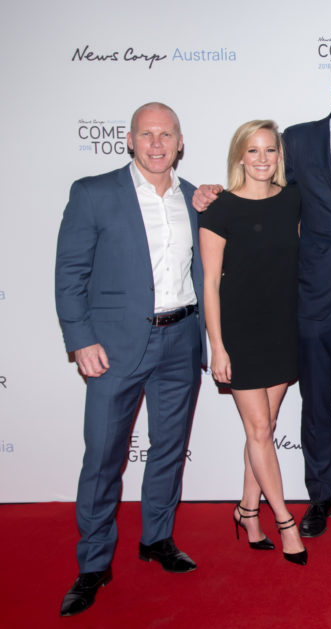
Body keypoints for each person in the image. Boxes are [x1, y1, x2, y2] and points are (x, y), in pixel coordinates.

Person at [193, 48, 331, 537]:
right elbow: (261, 191)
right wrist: (211, 195)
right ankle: (320, 496)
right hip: (315, 292)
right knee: (317, 399)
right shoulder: (298, 140)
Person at [55, 102, 205, 617]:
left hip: (181, 340)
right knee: (102, 459)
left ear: (180, 142)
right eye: (147, 134)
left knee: (168, 449)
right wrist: (80, 339)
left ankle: (156, 539)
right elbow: (70, 272)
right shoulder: (94, 193)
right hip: (114, 347)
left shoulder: (194, 199)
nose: (157, 143)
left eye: (166, 134)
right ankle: (94, 564)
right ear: (130, 139)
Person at [198, 120, 305, 564]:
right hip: (239, 333)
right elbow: (209, 284)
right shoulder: (219, 209)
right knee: (259, 430)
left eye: (270, 151)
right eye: (253, 151)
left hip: (282, 328)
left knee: (263, 429)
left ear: (280, 156)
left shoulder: (293, 201)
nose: (262, 159)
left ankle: (247, 511)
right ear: (240, 156)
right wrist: (217, 346)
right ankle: (284, 521)